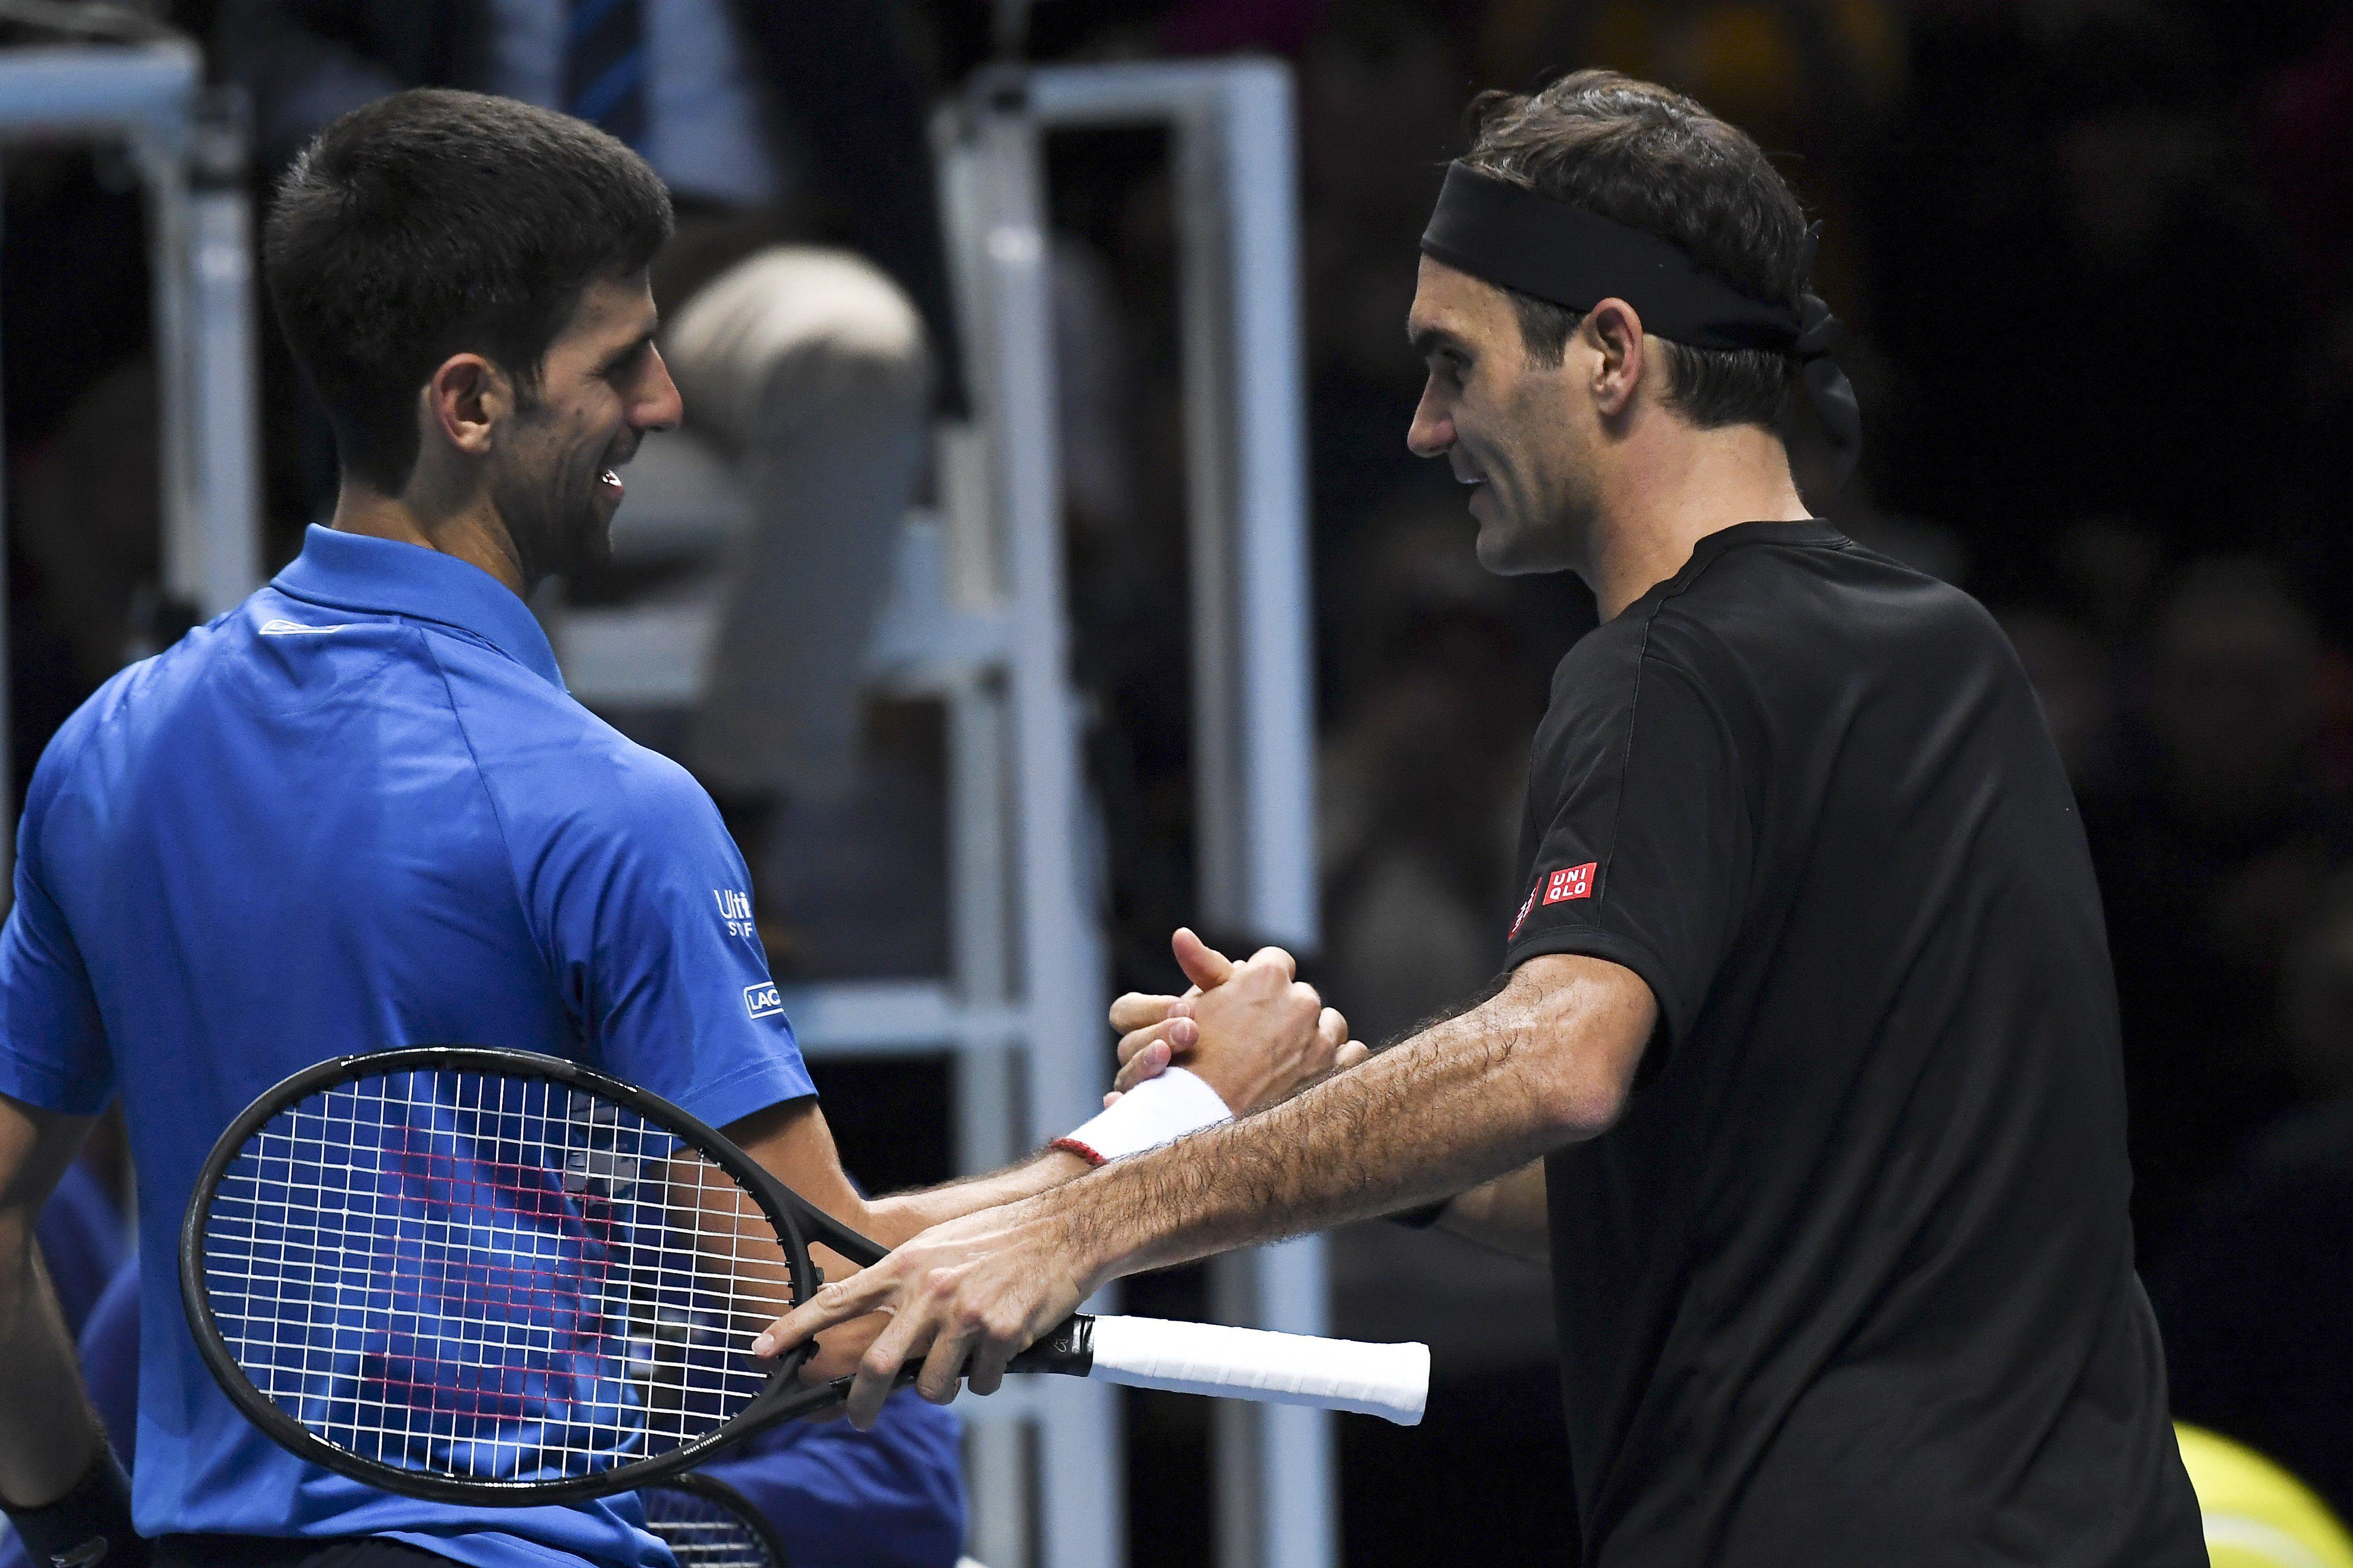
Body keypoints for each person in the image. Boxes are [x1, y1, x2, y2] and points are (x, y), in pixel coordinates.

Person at [766, 71, 2207, 1564]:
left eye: (1452, 364)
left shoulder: (1664, 668)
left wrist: (1079, 1230)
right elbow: (1656, 1187)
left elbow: (1562, 1061)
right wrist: (1291, 1109)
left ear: (1607, 352)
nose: (1421, 426)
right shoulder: (1940, 644)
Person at [0, 91, 1347, 1568]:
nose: (664, 401)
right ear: (469, 404)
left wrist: (72, 1525)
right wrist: (1184, 1117)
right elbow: (827, 1322)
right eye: (618, 361)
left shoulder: (104, 752)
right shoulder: (609, 807)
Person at [216, 0, 962, 917]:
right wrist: (396, 154)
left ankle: (728, 839)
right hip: (504, 259)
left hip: (747, 243)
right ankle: (502, 853)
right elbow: (267, 37)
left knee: (859, 356)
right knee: (480, 408)